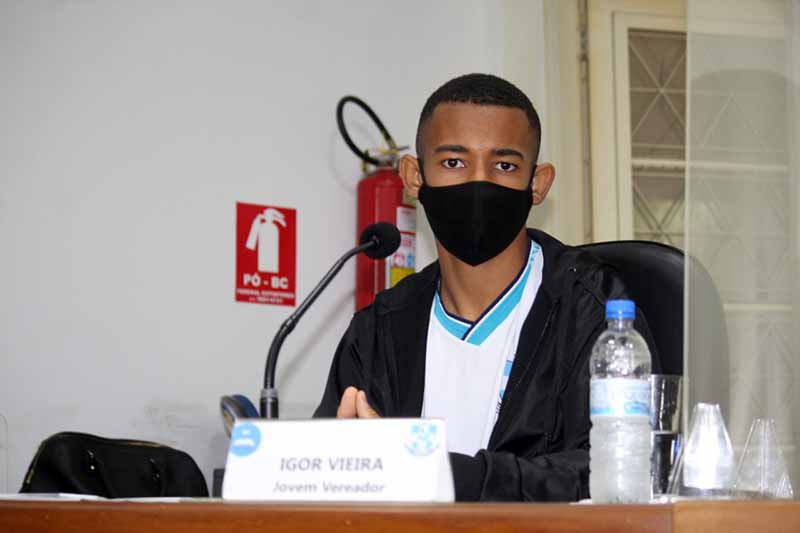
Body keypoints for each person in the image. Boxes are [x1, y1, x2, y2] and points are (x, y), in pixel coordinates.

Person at [314, 73, 659, 501]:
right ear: (414, 177)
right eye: (453, 163)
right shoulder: (378, 330)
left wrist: (442, 474)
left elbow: (620, 470)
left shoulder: (594, 310)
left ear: (538, 183)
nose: (479, 183)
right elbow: (327, 474)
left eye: (505, 166)